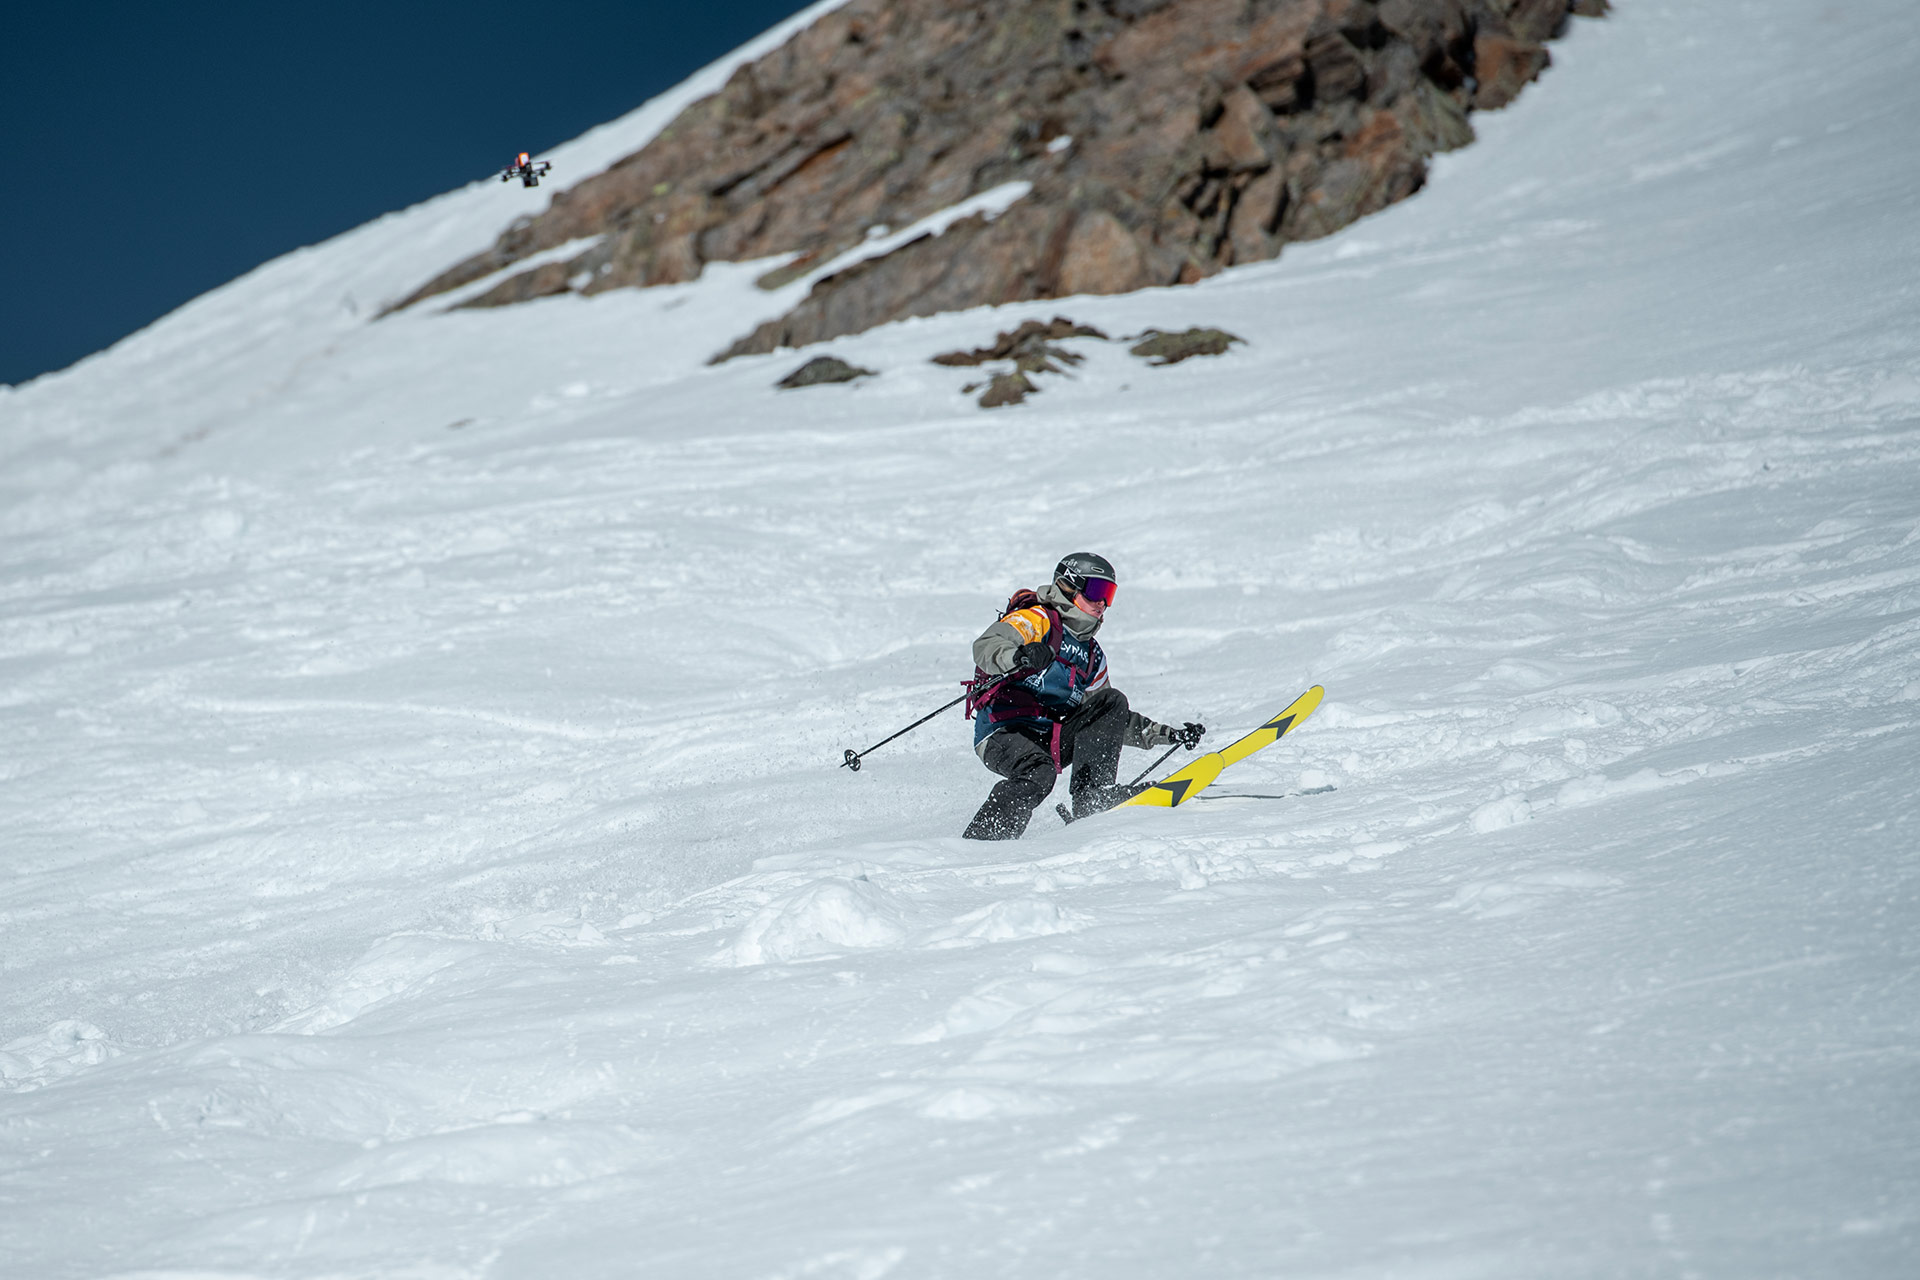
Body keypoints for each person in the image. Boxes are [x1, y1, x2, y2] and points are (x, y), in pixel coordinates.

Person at [962, 552, 1203, 840]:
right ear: (1068, 587)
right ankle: (984, 840)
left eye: (1108, 595)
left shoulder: (1092, 654)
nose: (1102, 603)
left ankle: (1092, 798)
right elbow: (987, 646)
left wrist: (1167, 735)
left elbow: (1108, 719)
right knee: (1039, 773)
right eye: (1095, 592)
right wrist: (1019, 655)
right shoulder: (1037, 620)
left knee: (1111, 700)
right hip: (1002, 732)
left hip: (1048, 737)